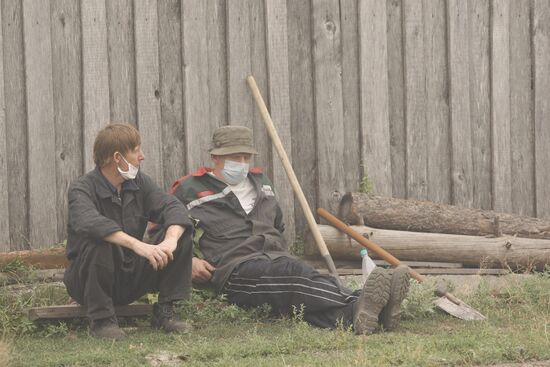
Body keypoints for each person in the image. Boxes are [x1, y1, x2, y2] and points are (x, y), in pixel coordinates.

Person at [168, 125, 410, 334]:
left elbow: (278, 225)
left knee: (296, 292)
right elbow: (161, 232)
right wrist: (188, 262)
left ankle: (360, 315)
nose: (242, 164)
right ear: (215, 157)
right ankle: (363, 300)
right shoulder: (189, 189)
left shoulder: (261, 183)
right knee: (295, 274)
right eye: (235, 158)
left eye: (246, 157)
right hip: (233, 271)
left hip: (275, 259)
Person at [63, 123, 194, 340]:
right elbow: (90, 223)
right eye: (136, 150)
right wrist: (138, 245)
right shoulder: (82, 188)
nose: (142, 156)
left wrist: (170, 241)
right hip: (86, 281)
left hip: (128, 275)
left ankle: (165, 312)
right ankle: (102, 321)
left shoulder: (139, 182)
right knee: (101, 240)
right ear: (117, 157)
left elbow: (173, 207)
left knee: (182, 232)